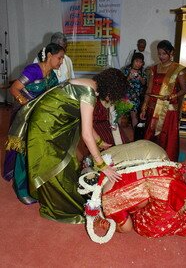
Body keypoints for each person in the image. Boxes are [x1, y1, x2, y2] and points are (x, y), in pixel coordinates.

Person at [5, 68, 128, 222]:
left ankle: (64, 197)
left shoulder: (90, 85)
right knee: (52, 164)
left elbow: (87, 125)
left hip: (55, 122)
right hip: (46, 126)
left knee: (68, 163)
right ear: (111, 88)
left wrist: (101, 143)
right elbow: (86, 134)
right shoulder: (88, 93)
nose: (111, 98)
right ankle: (56, 205)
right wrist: (102, 165)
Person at [79, 140, 186, 243]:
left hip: (164, 186)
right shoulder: (104, 160)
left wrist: (104, 222)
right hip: (163, 161)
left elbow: (126, 228)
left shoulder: (109, 199)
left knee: (145, 228)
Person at [3, 43, 65, 203]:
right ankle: (22, 188)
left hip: (39, 117)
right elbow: (14, 89)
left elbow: (55, 95)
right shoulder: (33, 70)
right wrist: (27, 104)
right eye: (60, 58)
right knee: (24, 151)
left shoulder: (52, 75)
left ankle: (36, 184)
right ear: (50, 56)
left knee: (38, 149)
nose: (61, 62)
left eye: (62, 58)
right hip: (23, 116)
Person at [140, 40, 186, 161]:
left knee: (167, 137)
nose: (161, 56)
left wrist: (172, 96)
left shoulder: (178, 69)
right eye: (159, 53)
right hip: (153, 107)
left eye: (164, 54)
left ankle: (167, 161)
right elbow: (149, 89)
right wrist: (144, 107)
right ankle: (150, 160)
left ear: (171, 52)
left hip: (169, 110)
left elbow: (184, 90)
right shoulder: (153, 69)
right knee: (150, 135)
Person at [121, 52, 147, 140]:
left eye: (140, 62)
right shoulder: (125, 70)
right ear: (133, 61)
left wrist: (140, 78)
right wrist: (129, 77)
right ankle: (119, 135)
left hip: (136, 97)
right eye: (136, 61)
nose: (138, 64)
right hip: (125, 96)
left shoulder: (142, 72)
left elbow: (144, 83)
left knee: (134, 116)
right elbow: (121, 82)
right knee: (121, 115)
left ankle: (136, 136)